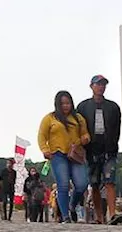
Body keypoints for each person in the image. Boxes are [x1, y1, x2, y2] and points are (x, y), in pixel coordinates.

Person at [77, 75, 122, 225]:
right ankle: (99, 216)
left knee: (110, 181)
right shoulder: (83, 107)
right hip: (91, 150)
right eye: (98, 84)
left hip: (108, 149)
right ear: (91, 86)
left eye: (103, 84)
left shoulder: (113, 107)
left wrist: (113, 145)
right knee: (95, 183)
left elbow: (117, 129)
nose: (101, 87)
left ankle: (112, 214)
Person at [38, 90, 90, 223]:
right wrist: (45, 149)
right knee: (63, 185)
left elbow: (85, 134)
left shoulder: (78, 118)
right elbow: (42, 136)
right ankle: (65, 216)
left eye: (68, 103)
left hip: (75, 154)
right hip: (57, 154)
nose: (65, 106)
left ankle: (72, 205)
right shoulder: (50, 118)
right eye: (62, 104)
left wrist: (85, 138)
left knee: (82, 184)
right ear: (57, 105)